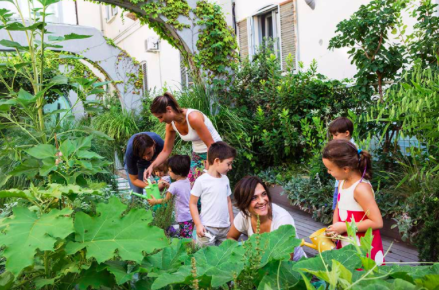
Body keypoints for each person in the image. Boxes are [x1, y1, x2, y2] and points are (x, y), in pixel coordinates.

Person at [323, 140, 385, 265]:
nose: (328, 172)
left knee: (363, 278)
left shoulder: (360, 189)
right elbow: (338, 208)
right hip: (347, 241)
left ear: (345, 168)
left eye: (330, 169)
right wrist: (335, 228)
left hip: (363, 245)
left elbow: (377, 222)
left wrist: (344, 227)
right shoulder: (342, 182)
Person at [143, 92, 222, 186]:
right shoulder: (170, 126)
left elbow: (211, 145)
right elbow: (166, 151)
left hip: (216, 152)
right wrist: (152, 166)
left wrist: (207, 170)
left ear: (169, 109)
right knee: (191, 188)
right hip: (197, 154)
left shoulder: (193, 118)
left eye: (161, 117)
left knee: (209, 187)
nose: (160, 121)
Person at [227, 176, 306, 261]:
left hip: (294, 268)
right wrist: (242, 255)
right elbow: (231, 238)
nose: (262, 201)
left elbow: (285, 261)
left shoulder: (283, 220)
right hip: (260, 262)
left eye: (264, 194)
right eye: (254, 197)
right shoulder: (244, 215)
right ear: (244, 203)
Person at [189, 141, 235, 246]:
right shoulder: (201, 180)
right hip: (207, 229)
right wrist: (198, 224)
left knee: (225, 257)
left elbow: (228, 201)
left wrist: (232, 222)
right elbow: (192, 203)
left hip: (225, 229)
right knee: (206, 259)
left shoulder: (225, 179)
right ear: (217, 161)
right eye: (228, 164)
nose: (230, 167)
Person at [147, 155, 193, 238]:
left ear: (178, 172)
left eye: (170, 171)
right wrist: (168, 185)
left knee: (186, 239)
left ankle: (193, 249)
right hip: (190, 215)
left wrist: (155, 201)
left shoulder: (174, 186)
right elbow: (179, 190)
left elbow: (166, 200)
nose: (168, 172)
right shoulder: (187, 181)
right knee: (188, 235)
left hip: (182, 217)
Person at [328, 117, 357, 210]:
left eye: (336, 135)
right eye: (332, 135)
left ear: (346, 133)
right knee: (337, 210)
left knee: (343, 211)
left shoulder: (351, 149)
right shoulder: (340, 147)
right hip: (339, 185)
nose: (334, 138)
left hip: (348, 187)